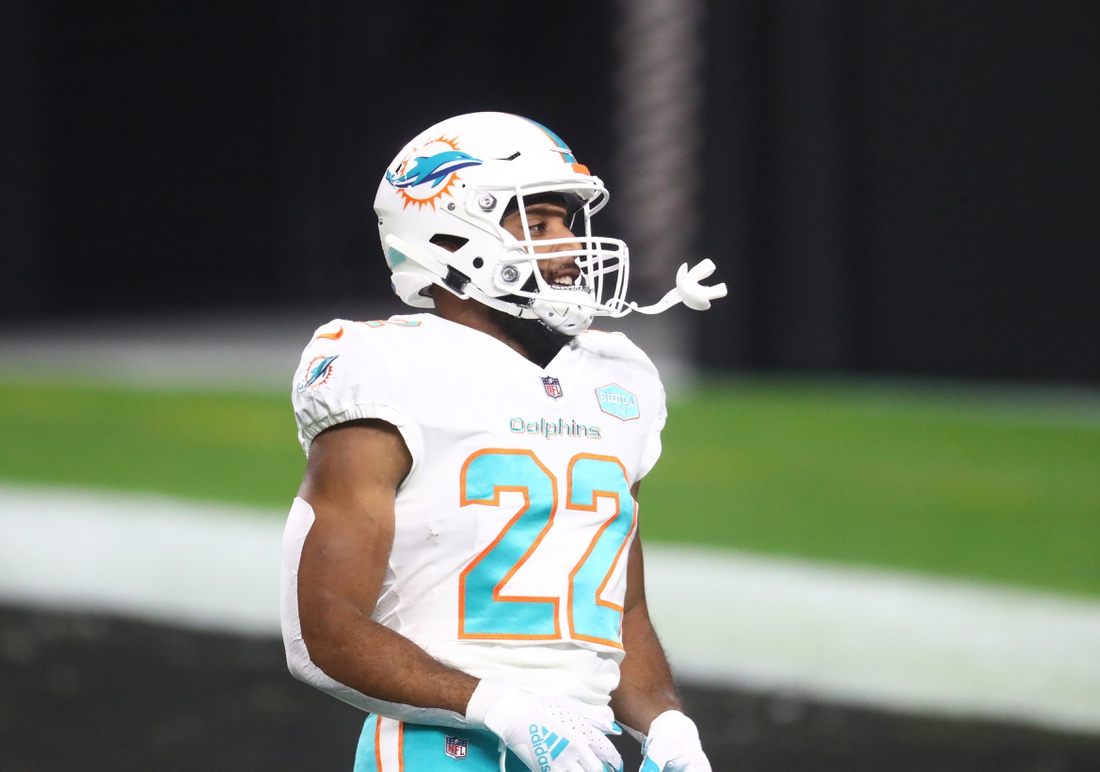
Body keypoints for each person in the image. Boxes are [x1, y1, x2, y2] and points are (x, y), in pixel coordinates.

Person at [281, 112, 725, 772]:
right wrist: (501, 707)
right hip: (439, 751)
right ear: (453, 235)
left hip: (581, 751)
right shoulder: (383, 365)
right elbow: (321, 632)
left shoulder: (619, 377)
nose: (571, 247)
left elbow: (616, 612)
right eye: (540, 223)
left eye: (570, 224)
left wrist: (666, 725)